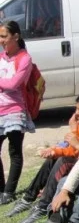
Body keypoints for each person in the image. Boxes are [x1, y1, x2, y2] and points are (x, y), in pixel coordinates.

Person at [5, 92, 79, 221]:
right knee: (51, 160)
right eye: (76, 108)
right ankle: (28, 198)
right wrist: (53, 150)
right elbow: (71, 145)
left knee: (63, 161)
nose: (76, 113)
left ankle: (43, 205)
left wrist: (73, 130)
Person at [0, 20, 35, 205]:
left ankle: (9, 192)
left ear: (16, 36)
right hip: (0, 110)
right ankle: (1, 189)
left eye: (4, 36)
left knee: (14, 151)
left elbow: (14, 84)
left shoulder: (24, 58)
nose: (1, 40)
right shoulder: (2, 57)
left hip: (15, 110)